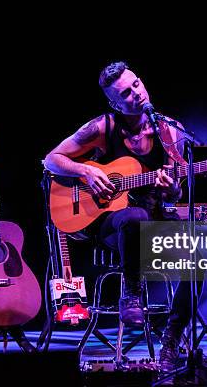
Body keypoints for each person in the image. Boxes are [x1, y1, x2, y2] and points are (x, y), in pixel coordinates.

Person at [43, 61, 190, 370]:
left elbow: (175, 196)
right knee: (133, 215)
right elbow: (51, 160)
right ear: (114, 102)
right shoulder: (102, 127)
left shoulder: (169, 130)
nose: (136, 93)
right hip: (112, 226)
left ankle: (173, 336)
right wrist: (85, 171)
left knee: (200, 250)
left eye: (136, 84)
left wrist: (170, 188)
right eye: (125, 92)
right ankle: (132, 295)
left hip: (155, 221)